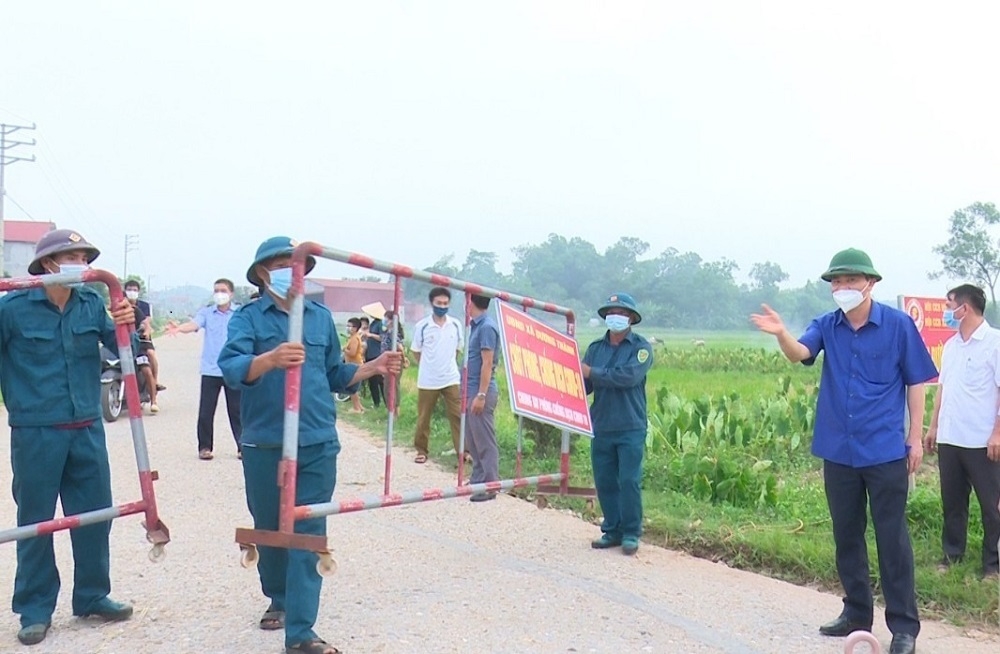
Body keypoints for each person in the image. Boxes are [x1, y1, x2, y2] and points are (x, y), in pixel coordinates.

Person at [218, 236, 400, 654]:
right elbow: (231, 369)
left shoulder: (319, 318)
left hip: (317, 440)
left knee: (308, 531)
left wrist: (372, 366)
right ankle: (278, 597)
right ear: (264, 273)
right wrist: (270, 359)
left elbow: (335, 374)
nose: (291, 271)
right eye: (282, 264)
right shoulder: (248, 319)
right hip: (265, 442)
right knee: (268, 527)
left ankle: (301, 633)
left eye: (296, 264)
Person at [750, 248, 936, 654]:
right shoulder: (826, 325)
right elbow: (801, 353)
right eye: (836, 282)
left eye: (850, 280)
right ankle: (855, 612)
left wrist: (915, 437)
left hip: (885, 449)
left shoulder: (899, 326)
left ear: (870, 283)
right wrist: (783, 333)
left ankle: (904, 628)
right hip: (839, 449)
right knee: (846, 535)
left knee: (892, 540)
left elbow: (916, 381)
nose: (842, 288)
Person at [0, 229, 137, 646]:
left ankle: (93, 595)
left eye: (84, 256)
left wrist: (125, 322)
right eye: (71, 255)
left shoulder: (91, 303)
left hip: (86, 427)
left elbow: (121, 345)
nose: (80, 262)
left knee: (96, 515)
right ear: (47, 264)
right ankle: (35, 607)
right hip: (36, 430)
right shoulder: (12, 308)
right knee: (37, 522)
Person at [924, 284, 1000, 580]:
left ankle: (992, 565)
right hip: (950, 437)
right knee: (953, 502)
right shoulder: (952, 346)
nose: (946, 312)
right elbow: (944, 388)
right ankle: (951, 555)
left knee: (991, 506)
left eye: (949, 305)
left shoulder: (994, 342)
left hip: (982, 439)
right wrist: (933, 426)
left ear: (964, 308)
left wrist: (997, 433)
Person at [581, 293, 653, 556]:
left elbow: (628, 377)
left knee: (629, 480)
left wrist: (592, 372)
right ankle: (612, 529)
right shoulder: (595, 349)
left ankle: (631, 532)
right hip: (601, 424)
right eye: (612, 312)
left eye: (622, 313)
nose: (616, 317)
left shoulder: (641, 348)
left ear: (631, 318)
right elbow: (585, 385)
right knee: (605, 480)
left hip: (630, 426)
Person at [165, 278, 244, 460]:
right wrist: (178, 328)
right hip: (210, 369)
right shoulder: (207, 313)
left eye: (223, 290)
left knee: (237, 411)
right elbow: (193, 325)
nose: (219, 294)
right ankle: (205, 447)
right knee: (206, 411)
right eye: (216, 290)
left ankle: (242, 446)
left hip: (233, 368)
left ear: (231, 294)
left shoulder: (239, 313)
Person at [410, 287, 465, 464]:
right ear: (432, 304)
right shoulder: (423, 326)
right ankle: (421, 450)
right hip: (428, 380)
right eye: (439, 303)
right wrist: (428, 366)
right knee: (424, 417)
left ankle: (464, 451)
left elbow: (457, 350)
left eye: (445, 303)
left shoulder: (455, 324)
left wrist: (446, 365)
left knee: (458, 415)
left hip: (451, 378)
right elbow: (416, 352)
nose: (442, 306)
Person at [464, 294, 501, 502]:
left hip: (481, 391)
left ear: (470, 302)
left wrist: (481, 394)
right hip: (471, 390)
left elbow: (487, 363)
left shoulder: (486, 327)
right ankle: (478, 480)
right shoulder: (477, 326)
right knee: (473, 438)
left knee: (485, 440)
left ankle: (490, 484)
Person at [124, 279, 159, 413]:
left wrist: (145, 331)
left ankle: (153, 396)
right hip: (122, 342)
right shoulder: (118, 306)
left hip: (140, 342)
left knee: (148, 360)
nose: (132, 292)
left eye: (134, 290)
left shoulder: (140, 309)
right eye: (129, 289)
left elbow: (146, 323)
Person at [362, 310, 385, 409]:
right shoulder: (373, 324)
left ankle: (387, 402)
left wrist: (371, 335)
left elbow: (382, 337)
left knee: (380, 380)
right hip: (370, 354)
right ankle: (376, 403)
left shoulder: (380, 324)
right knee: (372, 381)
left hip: (377, 354)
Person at [343, 317, 366, 413]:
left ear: (355, 328)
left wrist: (344, 349)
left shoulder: (355, 339)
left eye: (350, 326)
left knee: (352, 387)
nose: (348, 328)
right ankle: (359, 407)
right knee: (354, 387)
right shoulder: (352, 337)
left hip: (354, 365)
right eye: (347, 326)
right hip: (352, 364)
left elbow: (352, 353)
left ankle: (356, 408)